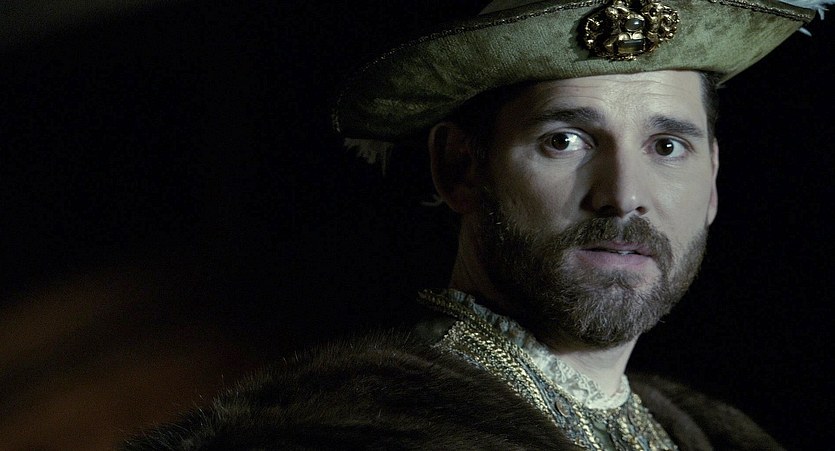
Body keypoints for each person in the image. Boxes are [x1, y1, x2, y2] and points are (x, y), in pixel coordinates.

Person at [124, 0, 830, 449]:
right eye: (565, 140)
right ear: (459, 168)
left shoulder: (709, 434)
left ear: (712, 181)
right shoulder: (339, 428)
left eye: (667, 146)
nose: (623, 197)